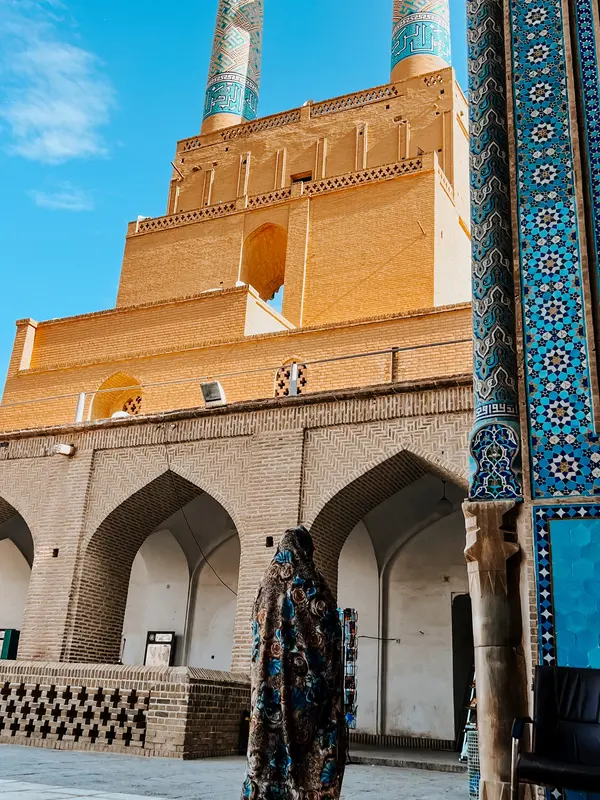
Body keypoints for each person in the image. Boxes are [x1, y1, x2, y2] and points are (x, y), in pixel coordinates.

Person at [241, 526, 346, 800]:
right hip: (308, 696)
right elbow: (330, 637)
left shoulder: (265, 585)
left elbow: (256, 638)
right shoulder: (314, 586)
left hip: (269, 692)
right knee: (312, 756)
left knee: (268, 749)